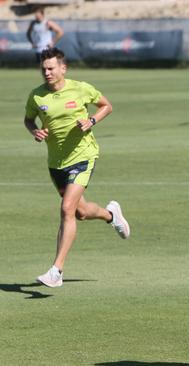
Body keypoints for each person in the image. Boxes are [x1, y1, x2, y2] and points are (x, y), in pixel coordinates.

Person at [23, 47, 130, 288]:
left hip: (83, 156)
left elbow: (106, 106)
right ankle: (111, 215)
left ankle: (56, 270)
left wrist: (91, 120)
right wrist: (35, 131)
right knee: (79, 213)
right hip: (56, 163)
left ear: (63, 68)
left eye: (51, 68)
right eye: (43, 69)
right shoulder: (37, 96)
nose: (47, 73)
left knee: (66, 209)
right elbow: (28, 119)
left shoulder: (80, 88)